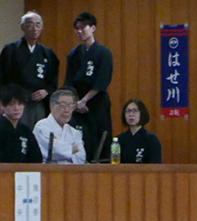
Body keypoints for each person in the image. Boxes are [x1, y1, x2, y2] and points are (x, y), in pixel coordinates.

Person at [64, 12, 113, 163]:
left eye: (83, 27)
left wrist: (84, 101)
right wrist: (76, 103)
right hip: (77, 104)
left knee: (99, 138)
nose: (79, 31)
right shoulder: (73, 54)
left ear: (93, 28)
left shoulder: (104, 53)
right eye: (77, 28)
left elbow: (102, 81)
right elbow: (68, 82)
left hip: (96, 102)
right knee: (80, 138)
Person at [0, 11, 59, 129]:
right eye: (30, 24)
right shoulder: (11, 50)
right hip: (16, 101)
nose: (34, 28)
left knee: (38, 132)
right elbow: (2, 78)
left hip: (38, 103)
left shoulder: (47, 53)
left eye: (38, 24)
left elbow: (53, 80)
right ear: (23, 27)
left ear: (42, 28)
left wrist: (46, 91)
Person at [33, 88, 86, 164]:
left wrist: (62, 153)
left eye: (71, 105)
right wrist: (71, 150)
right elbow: (50, 152)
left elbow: (81, 157)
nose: (67, 110)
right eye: (63, 105)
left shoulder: (73, 132)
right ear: (52, 106)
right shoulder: (42, 126)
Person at [0, 83, 43, 163]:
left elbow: (36, 159)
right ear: (3, 106)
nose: (16, 108)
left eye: (20, 104)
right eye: (11, 104)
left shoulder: (25, 131)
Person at [117, 98, 161, 163]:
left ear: (142, 113)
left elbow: (155, 165)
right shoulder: (119, 140)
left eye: (135, 111)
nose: (131, 114)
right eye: (128, 111)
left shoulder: (151, 140)